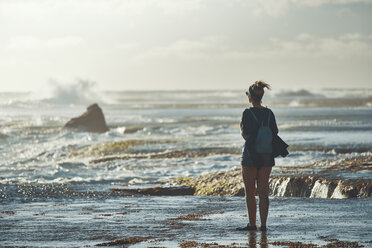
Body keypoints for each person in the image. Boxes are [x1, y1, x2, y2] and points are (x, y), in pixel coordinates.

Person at [237, 80, 278, 232]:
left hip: (250, 156)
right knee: (263, 191)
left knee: (250, 192)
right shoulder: (269, 113)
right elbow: (275, 133)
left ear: (251, 97)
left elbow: (245, 135)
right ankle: (264, 225)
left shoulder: (247, 113)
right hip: (267, 156)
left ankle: (252, 224)